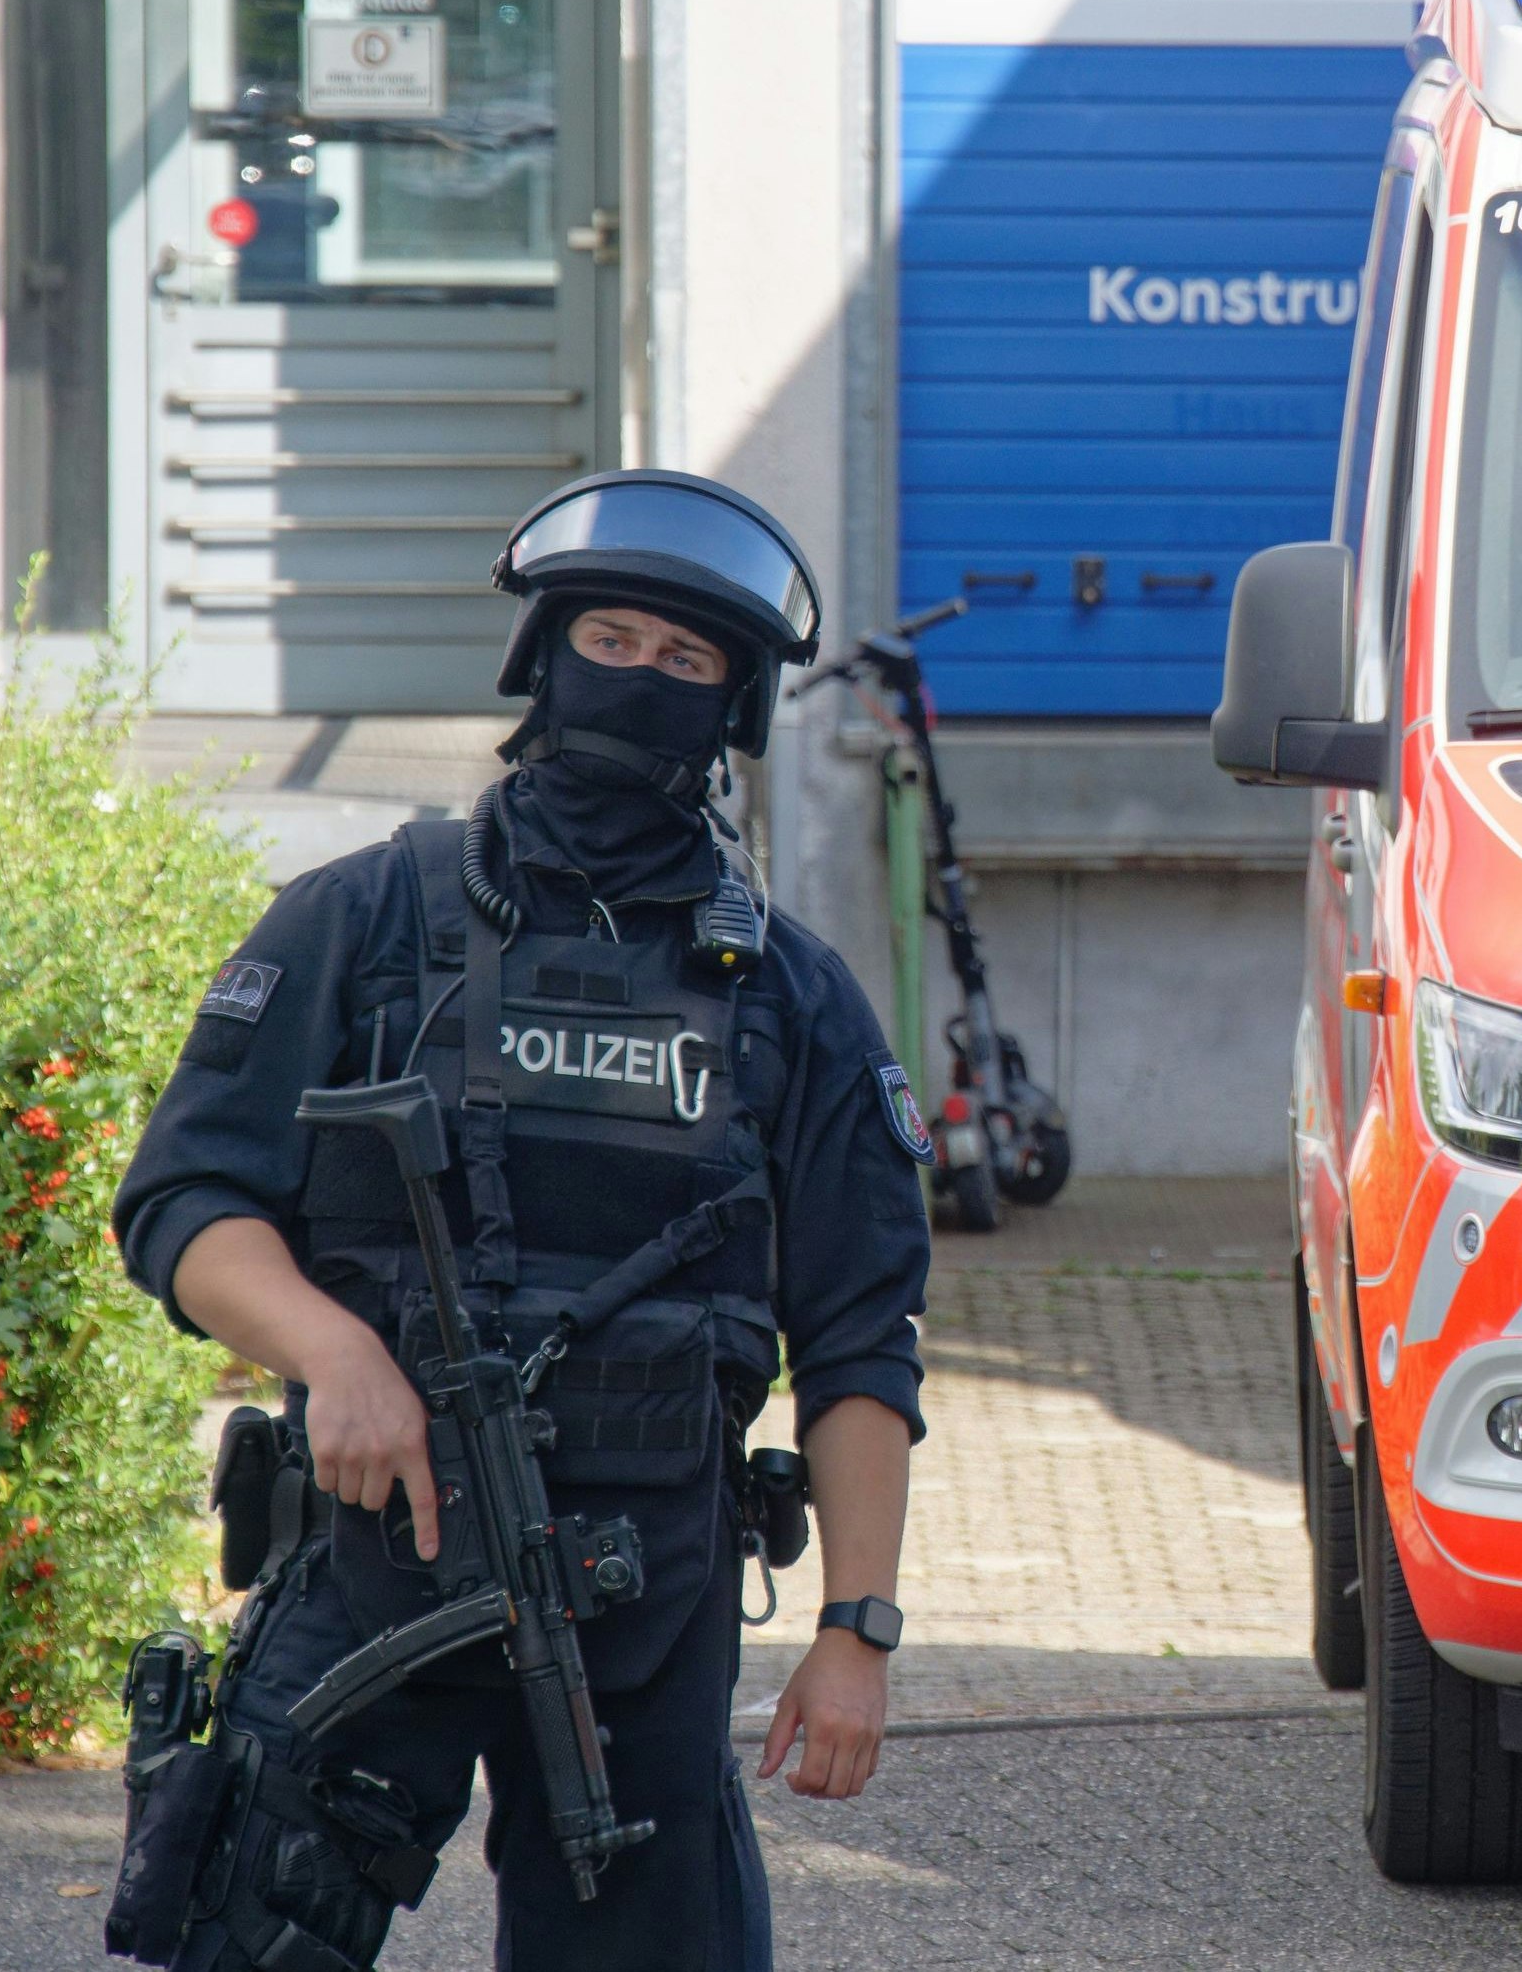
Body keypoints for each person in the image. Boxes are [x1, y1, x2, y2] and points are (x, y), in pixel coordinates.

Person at [107, 471, 932, 1969]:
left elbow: (863, 1335)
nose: (642, 675)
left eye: (686, 658)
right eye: (611, 638)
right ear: (544, 655)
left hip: (645, 1601)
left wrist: (855, 1631)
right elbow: (185, 1201)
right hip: (374, 1561)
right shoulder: (365, 918)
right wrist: (335, 1353)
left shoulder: (790, 996)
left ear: (736, 704)